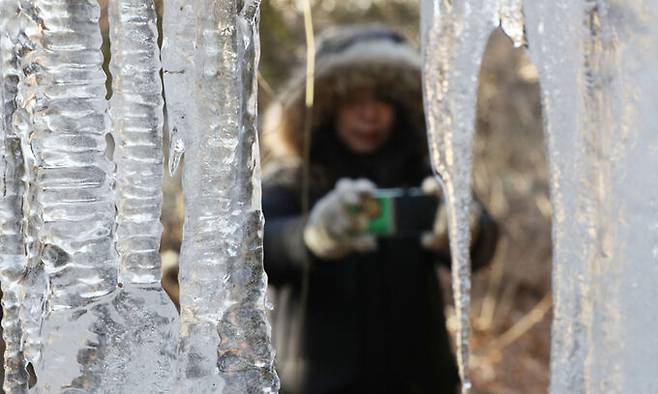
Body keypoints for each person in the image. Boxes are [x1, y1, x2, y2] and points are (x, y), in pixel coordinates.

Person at [261, 25, 498, 394]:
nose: (369, 114)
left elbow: (484, 242)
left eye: (382, 99)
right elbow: (258, 248)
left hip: (420, 381)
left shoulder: (428, 176)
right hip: (312, 384)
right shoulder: (293, 181)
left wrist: (464, 227)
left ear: (402, 106)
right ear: (328, 107)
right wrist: (310, 238)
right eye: (354, 100)